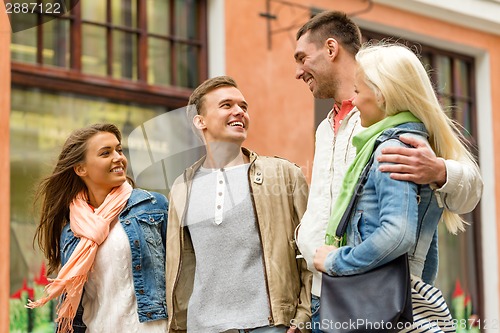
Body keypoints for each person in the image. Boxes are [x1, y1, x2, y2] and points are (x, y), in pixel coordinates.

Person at [293, 10, 483, 332]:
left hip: (376, 292)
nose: (297, 72)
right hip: (323, 293)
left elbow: (471, 191)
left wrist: (438, 170)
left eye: (302, 58)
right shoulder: (325, 129)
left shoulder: (389, 121)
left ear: (330, 49)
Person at [165, 76, 312, 333]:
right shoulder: (182, 187)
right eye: (226, 105)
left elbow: (309, 249)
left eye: (243, 106)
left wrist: (303, 316)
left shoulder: (284, 174)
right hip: (204, 328)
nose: (239, 112)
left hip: (270, 325)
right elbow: (181, 264)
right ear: (200, 122)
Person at [27, 123, 168, 333]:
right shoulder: (72, 231)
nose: (118, 157)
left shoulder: (152, 207)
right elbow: (76, 304)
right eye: (105, 153)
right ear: (80, 168)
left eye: (119, 150)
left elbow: (181, 275)